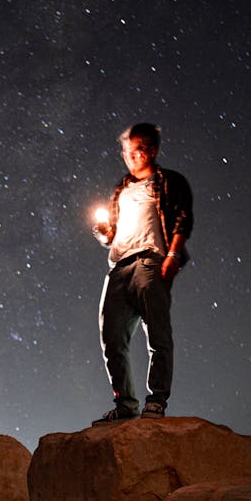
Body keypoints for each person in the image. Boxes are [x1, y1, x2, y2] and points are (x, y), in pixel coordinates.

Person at [92, 122, 193, 421]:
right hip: (118, 268)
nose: (131, 156)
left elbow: (181, 218)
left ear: (151, 150)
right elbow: (110, 234)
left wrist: (173, 253)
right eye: (126, 150)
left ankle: (156, 401)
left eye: (137, 150)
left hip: (150, 262)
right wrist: (103, 233)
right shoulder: (120, 189)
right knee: (112, 338)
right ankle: (125, 406)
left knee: (157, 335)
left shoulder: (168, 181)